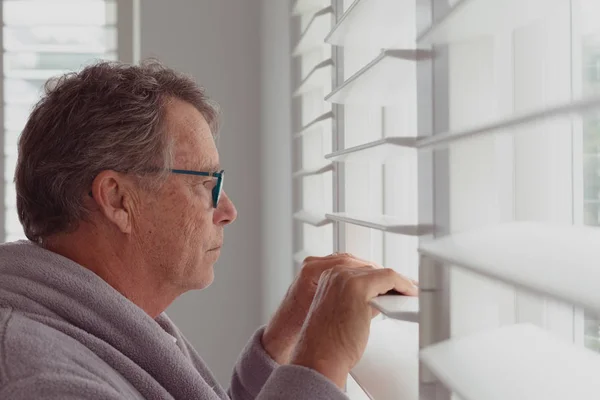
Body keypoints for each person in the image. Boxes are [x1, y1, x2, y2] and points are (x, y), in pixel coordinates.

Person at [0, 61, 418, 399]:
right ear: (117, 199)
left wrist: (284, 342)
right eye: (205, 183)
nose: (228, 210)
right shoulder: (38, 378)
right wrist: (322, 362)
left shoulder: (92, 326)